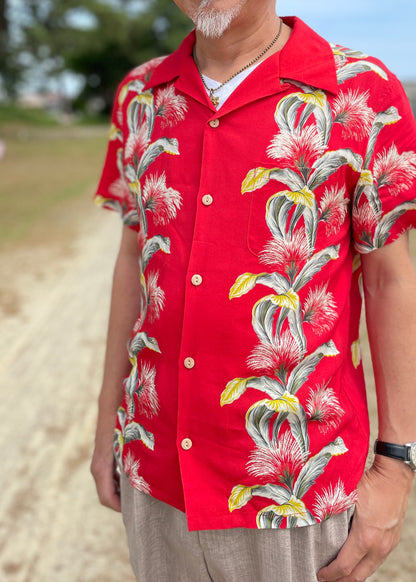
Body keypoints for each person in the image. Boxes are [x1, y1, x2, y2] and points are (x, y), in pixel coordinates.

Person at [91, 1, 416, 580]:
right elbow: (131, 263)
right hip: (156, 477)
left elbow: (391, 278)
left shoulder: (361, 92)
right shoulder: (140, 95)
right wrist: (104, 433)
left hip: (294, 491)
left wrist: (396, 466)